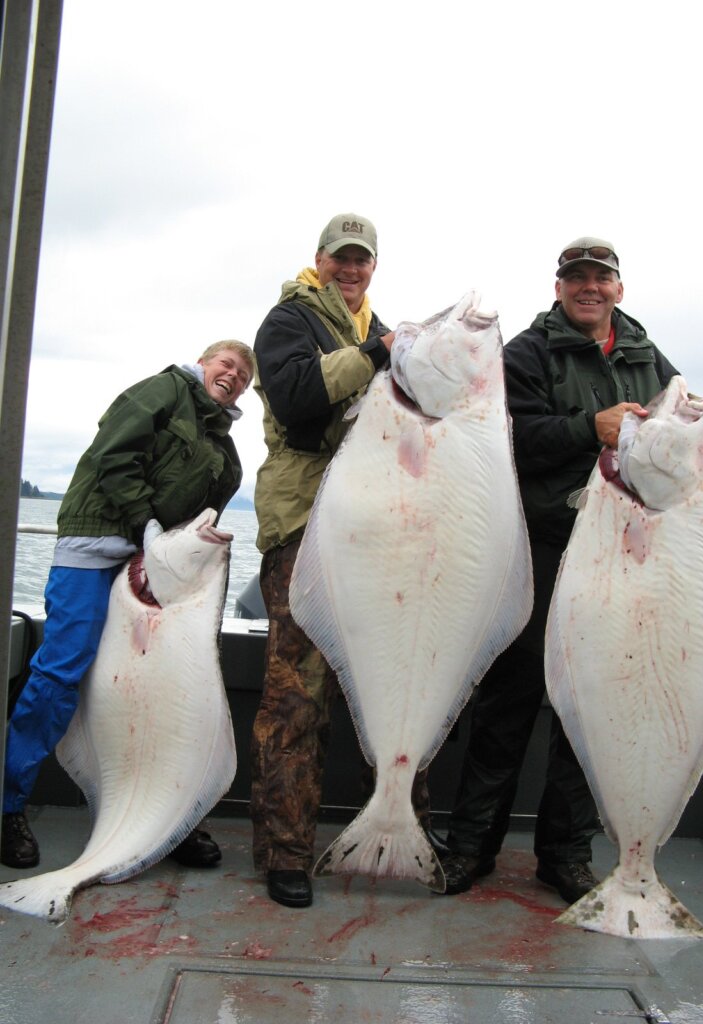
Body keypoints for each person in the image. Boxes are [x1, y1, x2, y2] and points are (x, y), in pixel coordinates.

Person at [440, 237, 680, 903]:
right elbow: (506, 440)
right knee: (508, 703)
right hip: (540, 550)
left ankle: (565, 856)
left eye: (600, 278)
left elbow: (673, 439)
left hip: (616, 560)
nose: (589, 289)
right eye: (577, 278)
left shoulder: (649, 358)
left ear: (618, 290)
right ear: (559, 287)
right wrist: (589, 428)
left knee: (588, 709)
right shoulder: (525, 352)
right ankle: (470, 848)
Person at [250, 212, 446, 909]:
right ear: (319, 260)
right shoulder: (289, 321)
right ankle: (285, 853)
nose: (351, 268)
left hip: (376, 539)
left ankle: (402, 836)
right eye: (341, 258)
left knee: (395, 687)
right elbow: (298, 398)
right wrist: (376, 356)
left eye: (362, 259)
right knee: (297, 695)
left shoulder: (379, 333)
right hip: (305, 531)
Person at [1, 341, 256, 870]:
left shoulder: (228, 454)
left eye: (244, 373)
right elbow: (114, 453)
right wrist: (146, 523)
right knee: (62, 668)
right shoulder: (164, 390)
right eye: (225, 364)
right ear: (203, 364)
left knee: (176, 688)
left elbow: (197, 522)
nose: (232, 375)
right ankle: (7, 805)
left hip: (153, 571)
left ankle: (171, 818)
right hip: (96, 548)